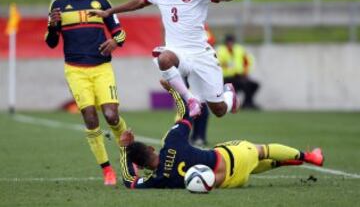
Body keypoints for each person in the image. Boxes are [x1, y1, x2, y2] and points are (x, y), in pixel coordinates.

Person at [89, 0, 253, 118]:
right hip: (177, 53)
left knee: (218, 110)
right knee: (164, 59)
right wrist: (109, 12)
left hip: (201, 55)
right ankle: (191, 100)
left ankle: (229, 97)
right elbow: (138, 2)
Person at [118, 80, 324, 189]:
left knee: (252, 165)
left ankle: (287, 161)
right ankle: (310, 157)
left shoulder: (159, 180)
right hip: (230, 159)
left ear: (141, 166)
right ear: (152, 148)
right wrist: (172, 90)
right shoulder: (173, 141)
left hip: (228, 183)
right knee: (261, 150)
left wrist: (123, 150)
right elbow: (186, 112)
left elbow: (130, 182)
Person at [45, 0, 128, 186]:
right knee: (90, 117)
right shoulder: (58, 5)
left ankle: (128, 147)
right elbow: (51, 42)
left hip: (102, 68)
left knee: (111, 115)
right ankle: (107, 170)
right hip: (76, 70)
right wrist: (53, 26)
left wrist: (115, 42)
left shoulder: (102, 3)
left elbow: (120, 32)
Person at [217, 34, 261, 109]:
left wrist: (245, 72)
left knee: (253, 85)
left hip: (238, 76)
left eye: (231, 42)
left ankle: (247, 103)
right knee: (244, 85)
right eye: (228, 42)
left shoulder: (239, 49)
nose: (230, 44)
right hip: (226, 78)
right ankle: (243, 104)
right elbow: (219, 63)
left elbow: (248, 61)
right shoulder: (221, 51)